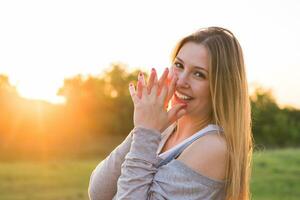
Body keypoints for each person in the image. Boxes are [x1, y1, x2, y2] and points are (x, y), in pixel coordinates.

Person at [88, 27, 253, 200]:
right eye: (179, 65)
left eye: (198, 74)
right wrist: (143, 128)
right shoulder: (162, 129)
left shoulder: (214, 147)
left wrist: (146, 131)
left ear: (220, 87)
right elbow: (99, 192)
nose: (181, 81)